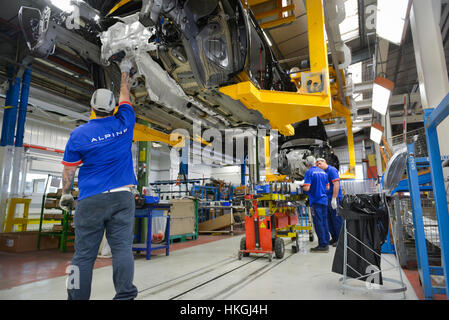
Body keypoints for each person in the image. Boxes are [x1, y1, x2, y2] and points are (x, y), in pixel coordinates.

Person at [59, 59, 138, 300]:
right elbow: (125, 93)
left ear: (91, 107)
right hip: (123, 197)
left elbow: (68, 172)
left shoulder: (79, 134)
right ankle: (125, 296)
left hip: (90, 199)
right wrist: (125, 70)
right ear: (114, 107)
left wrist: (66, 194)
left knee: (82, 256)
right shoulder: (125, 122)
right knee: (122, 249)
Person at [301, 155, 330, 253]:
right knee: (324, 222)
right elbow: (327, 188)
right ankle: (326, 242)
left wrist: (302, 188)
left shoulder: (309, 172)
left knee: (318, 223)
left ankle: (322, 245)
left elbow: (307, 188)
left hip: (316, 201)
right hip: (324, 200)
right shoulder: (323, 172)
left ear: (307, 164)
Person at [316, 158, 343, 247]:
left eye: (320, 164)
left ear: (324, 162)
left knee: (336, 220)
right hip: (327, 199)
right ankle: (335, 238)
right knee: (329, 220)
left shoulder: (331, 170)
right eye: (317, 165)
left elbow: (336, 184)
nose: (318, 166)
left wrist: (334, 198)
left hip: (335, 198)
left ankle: (340, 240)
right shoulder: (323, 173)